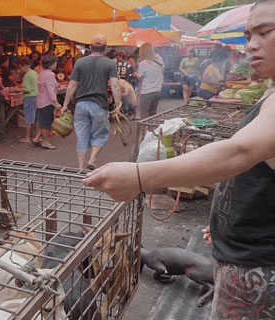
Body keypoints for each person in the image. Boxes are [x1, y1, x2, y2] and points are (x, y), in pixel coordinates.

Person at [83, 1, 275, 318]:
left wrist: (140, 177)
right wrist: (231, 222)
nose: (252, 43)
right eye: (248, 34)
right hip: (244, 258)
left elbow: (238, 152)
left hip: (258, 273)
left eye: (266, 32)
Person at [61, 34, 122, 169]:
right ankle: (92, 160)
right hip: (99, 105)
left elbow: (72, 85)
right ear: (105, 49)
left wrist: (65, 105)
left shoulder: (80, 63)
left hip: (81, 105)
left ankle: (81, 166)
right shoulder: (110, 63)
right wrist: (118, 105)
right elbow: (115, 85)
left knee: (82, 136)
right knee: (100, 135)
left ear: (90, 47)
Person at [32, 55, 60, 150]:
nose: (56, 64)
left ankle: (36, 138)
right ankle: (45, 142)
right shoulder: (50, 75)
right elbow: (50, 90)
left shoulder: (42, 72)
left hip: (40, 100)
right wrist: (56, 103)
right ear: (51, 64)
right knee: (46, 123)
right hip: (47, 102)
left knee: (43, 121)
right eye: (55, 62)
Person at [137, 43, 164, 120]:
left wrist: (134, 74)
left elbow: (140, 78)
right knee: (153, 113)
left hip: (146, 92)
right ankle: (151, 130)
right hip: (157, 90)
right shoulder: (160, 59)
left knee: (144, 115)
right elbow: (162, 72)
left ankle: (144, 131)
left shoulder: (142, 64)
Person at [17, 56, 38, 144]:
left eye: (20, 67)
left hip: (30, 98)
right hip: (37, 97)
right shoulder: (34, 73)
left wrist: (16, 89)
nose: (20, 69)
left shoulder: (26, 76)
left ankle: (27, 137)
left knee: (29, 118)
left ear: (24, 65)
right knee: (36, 118)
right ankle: (36, 136)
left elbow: (27, 89)